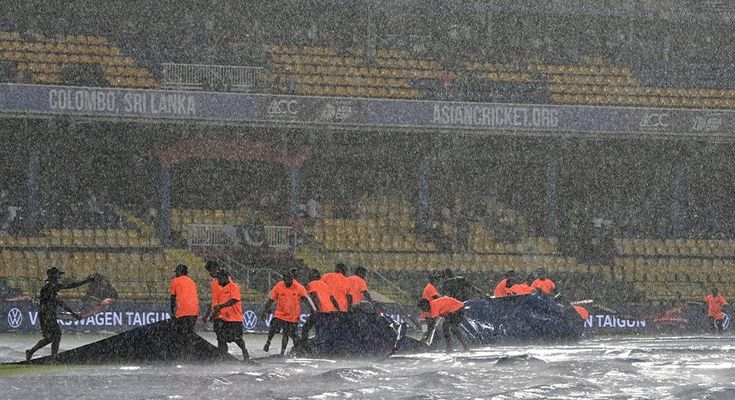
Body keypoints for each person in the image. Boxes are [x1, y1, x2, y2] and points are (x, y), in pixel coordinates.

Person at [25, 267, 94, 361]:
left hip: (47, 315)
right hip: (47, 316)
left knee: (51, 338)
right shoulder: (49, 286)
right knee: (56, 335)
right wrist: (73, 313)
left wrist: (85, 281)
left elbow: (62, 296)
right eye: (58, 275)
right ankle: (53, 358)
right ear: (52, 275)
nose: (59, 277)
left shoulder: (51, 286)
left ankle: (31, 352)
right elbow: (59, 301)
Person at [261, 272, 315, 355]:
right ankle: (268, 341)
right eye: (287, 280)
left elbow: (306, 299)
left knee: (287, 333)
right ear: (283, 279)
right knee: (274, 325)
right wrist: (264, 311)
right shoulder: (279, 286)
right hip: (280, 314)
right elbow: (271, 300)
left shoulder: (299, 287)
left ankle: (285, 352)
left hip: (293, 316)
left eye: (291, 280)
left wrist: (312, 310)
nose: (289, 282)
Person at [203, 269, 249, 360]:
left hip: (235, 318)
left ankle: (244, 351)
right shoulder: (219, 289)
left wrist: (221, 306)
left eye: (220, 279)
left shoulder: (234, 286)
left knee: (237, 338)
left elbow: (234, 300)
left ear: (225, 278)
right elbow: (215, 305)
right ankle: (223, 356)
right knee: (221, 338)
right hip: (224, 318)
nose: (218, 281)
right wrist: (212, 316)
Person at [301, 269, 339, 342]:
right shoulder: (326, 285)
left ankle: (303, 346)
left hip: (320, 311)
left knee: (305, 328)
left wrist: (317, 310)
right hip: (330, 311)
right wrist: (338, 310)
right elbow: (332, 299)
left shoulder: (311, 284)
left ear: (311, 276)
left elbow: (314, 296)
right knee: (325, 330)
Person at [169, 264, 200, 336]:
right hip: (194, 312)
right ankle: (189, 346)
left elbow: (172, 298)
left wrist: (172, 313)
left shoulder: (175, 281)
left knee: (179, 335)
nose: (175, 274)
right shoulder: (192, 282)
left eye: (176, 272)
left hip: (183, 311)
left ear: (180, 272)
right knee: (189, 333)